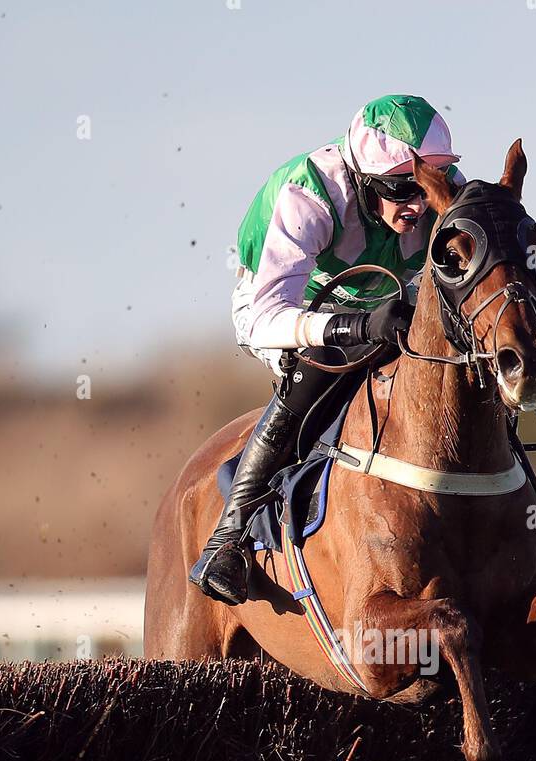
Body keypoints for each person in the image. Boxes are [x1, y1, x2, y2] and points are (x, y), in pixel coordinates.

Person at [189, 94, 462, 604]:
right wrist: (354, 326)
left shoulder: (441, 195)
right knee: (320, 373)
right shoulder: (311, 196)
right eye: (400, 188)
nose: (419, 203)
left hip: (384, 294)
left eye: (431, 185)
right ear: (362, 178)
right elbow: (269, 316)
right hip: (288, 307)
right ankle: (230, 539)